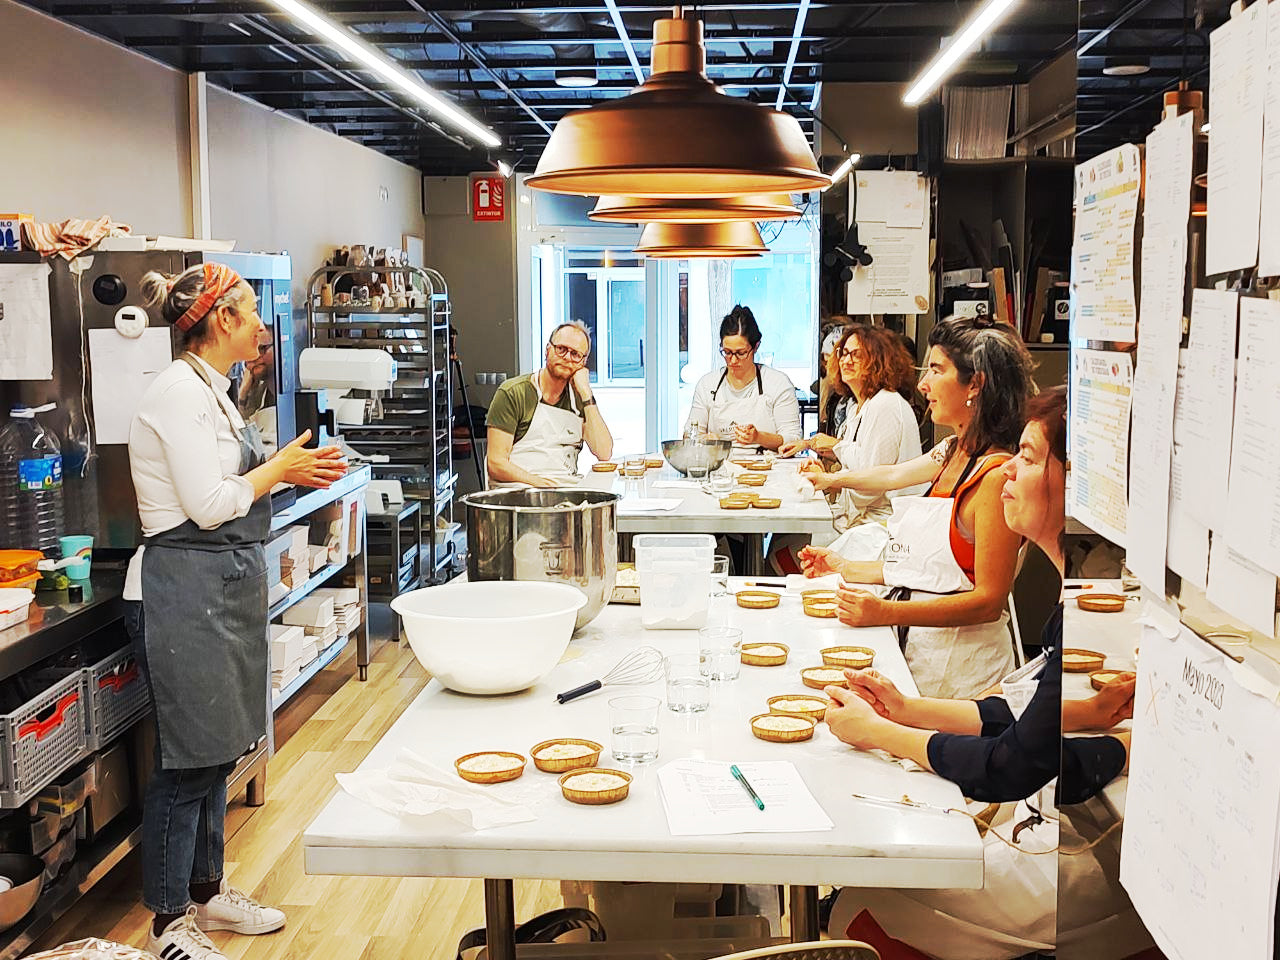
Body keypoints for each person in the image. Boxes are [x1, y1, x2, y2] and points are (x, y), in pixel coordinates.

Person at [820, 386, 1135, 960]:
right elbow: (1024, 721)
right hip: (1059, 825)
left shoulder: (1096, 606)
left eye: (1031, 458)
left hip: (1082, 877)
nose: (1010, 471)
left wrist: (881, 734)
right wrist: (908, 710)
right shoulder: (1078, 592)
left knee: (862, 893)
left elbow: (1015, 761)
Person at [126, 263, 348, 960]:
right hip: (179, 593)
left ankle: (208, 891)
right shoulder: (175, 396)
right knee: (187, 764)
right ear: (221, 318)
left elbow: (232, 481)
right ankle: (168, 923)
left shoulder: (212, 391)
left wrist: (287, 468)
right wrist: (278, 468)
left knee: (220, 753)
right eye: (252, 310)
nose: (261, 323)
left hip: (218, 585)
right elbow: (212, 502)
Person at [799, 317, 1035, 699]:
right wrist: (843, 567)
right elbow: (927, 570)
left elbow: (988, 602)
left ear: (974, 384)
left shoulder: (994, 478)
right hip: (922, 660)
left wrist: (886, 613)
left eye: (937, 371)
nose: (923, 384)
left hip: (963, 677)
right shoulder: (953, 452)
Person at [769, 326, 922, 574]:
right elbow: (855, 464)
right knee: (782, 540)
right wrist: (825, 472)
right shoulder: (858, 406)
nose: (846, 360)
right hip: (859, 517)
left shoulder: (886, 405)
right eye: (843, 353)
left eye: (857, 355)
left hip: (881, 526)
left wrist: (831, 480)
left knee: (782, 557)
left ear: (879, 361)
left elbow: (869, 489)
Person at [485, 322, 614, 487]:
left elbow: (604, 453)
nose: (567, 358)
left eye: (575, 354)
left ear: (583, 362)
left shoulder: (580, 399)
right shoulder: (513, 393)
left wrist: (587, 394)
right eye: (561, 349)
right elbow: (496, 464)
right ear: (547, 350)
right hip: (519, 493)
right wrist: (542, 485)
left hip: (566, 492)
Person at [684, 305, 802, 453]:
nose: (733, 360)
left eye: (740, 353)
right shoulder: (707, 385)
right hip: (720, 468)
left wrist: (759, 437)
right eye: (727, 352)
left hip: (767, 468)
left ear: (756, 347)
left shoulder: (778, 383)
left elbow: (793, 439)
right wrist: (705, 440)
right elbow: (690, 435)